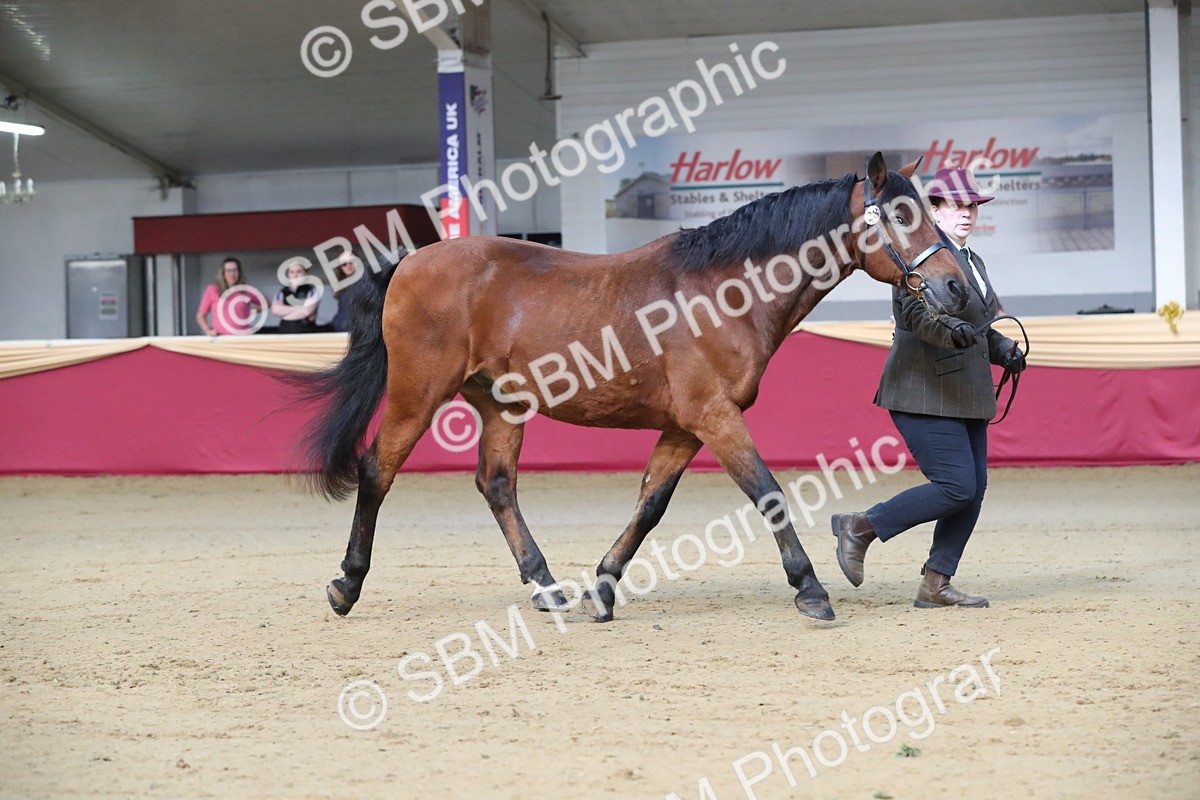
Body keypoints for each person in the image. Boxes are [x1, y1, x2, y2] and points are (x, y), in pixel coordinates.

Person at [831, 167, 1026, 608]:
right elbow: (916, 319)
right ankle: (860, 527)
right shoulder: (916, 254)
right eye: (957, 206)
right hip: (921, 388)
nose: (967, 214)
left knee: (973, 491)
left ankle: (936, 582)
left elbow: (982, 326)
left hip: (967, 392)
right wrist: (951, 332)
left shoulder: (973, 262)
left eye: (972, 206)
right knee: (957, 486)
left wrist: (1003, 349)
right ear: (933, 211)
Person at [195, 257, 263, 336]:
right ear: (223, 273)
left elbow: (266, 303)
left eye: (235, 270)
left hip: (244, 337)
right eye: (228, 271)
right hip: (221, 339)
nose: (232, 274)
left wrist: (249, 311)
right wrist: (207, 330)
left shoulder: (246, 290)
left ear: (239, 272)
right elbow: (200, 315)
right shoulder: (212, 289)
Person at [271, 259, 320, 334]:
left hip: (306, 333)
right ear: (288, 274)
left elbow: (306, 311)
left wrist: (284, 315)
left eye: (299, 272)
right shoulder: (281, 292)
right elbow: (275, 310)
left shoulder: (312, 291)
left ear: (306, 273)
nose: (295, 275)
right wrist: (300, 308)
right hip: (284, 332)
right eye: (291, 272)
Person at [328, 250, 362, 333]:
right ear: (340, 267)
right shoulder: (342, 285)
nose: (348, 266)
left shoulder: (368, 283)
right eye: (344, 264)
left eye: (352, 262)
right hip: (340, 332)